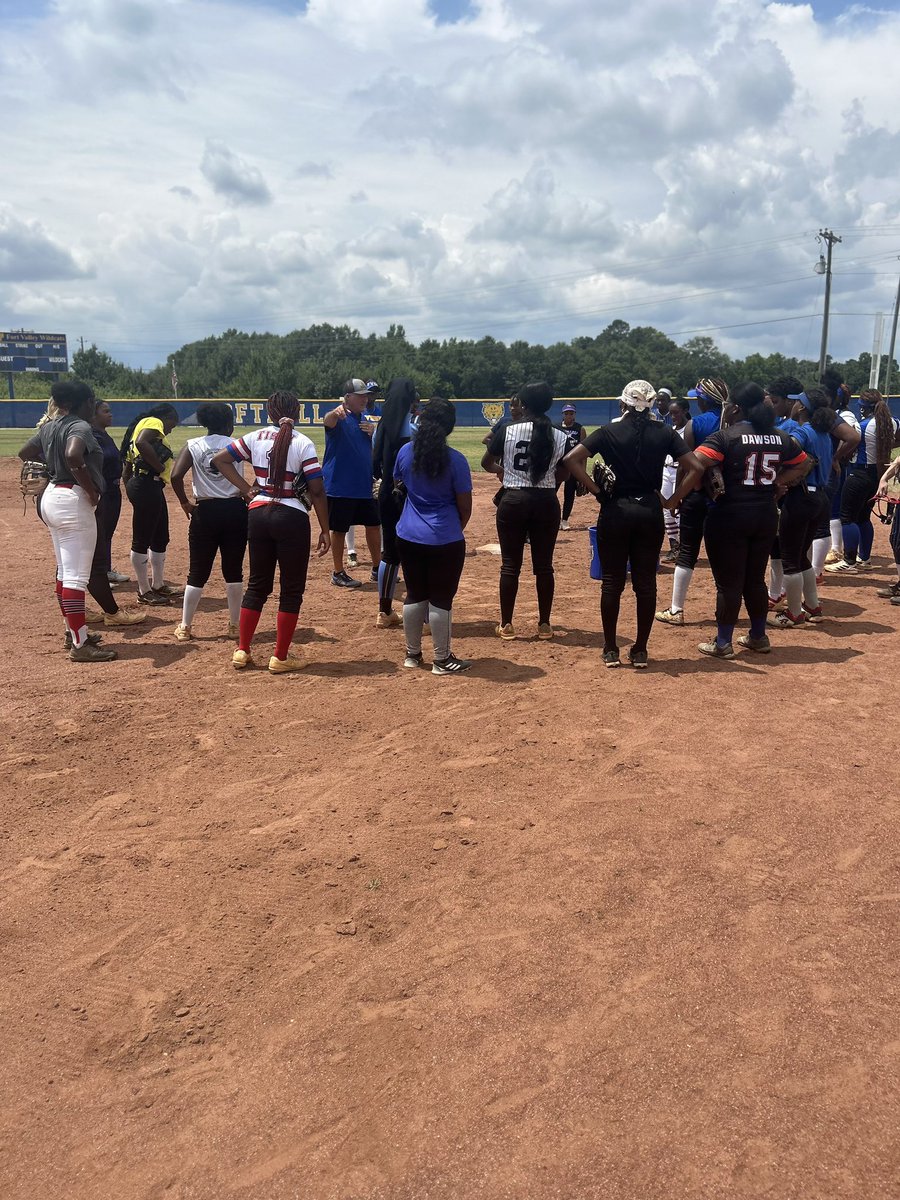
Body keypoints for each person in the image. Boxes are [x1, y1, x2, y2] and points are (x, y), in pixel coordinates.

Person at [666, 382, 810, 659]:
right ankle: (758, 636)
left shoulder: (726, 437)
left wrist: (675, 499)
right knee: (754, 580)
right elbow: (803, 463)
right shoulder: (780, 436)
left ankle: (723, 642)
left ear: (735, 408)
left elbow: (694, 463)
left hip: (729, 515)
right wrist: (778, 483)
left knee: (728, 583)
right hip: (765, 514)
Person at [564, 379, 698, 669]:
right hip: (650, 511)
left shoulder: (609, 431)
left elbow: (572, 460)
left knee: (612, 583)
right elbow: (697, 467)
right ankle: (640, 650)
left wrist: (596, 491)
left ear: (623, 403)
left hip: (616, 510)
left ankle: (611, 649)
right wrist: (672, 500)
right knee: (646, 584)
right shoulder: (664, 432)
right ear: (651, 404)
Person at [212, 390, 330, 673]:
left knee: (257, 585)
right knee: (291, 589)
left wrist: (246, 489)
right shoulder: (303, 442)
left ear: (269, 412)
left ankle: (242, 650)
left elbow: (220, 459)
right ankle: (280, 656)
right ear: (298, 412)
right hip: (292, 514)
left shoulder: (254, 437)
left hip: (258, 512)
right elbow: (316, 489)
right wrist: (325, 529)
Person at [18, 381, 117, 662]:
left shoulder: (49, 426)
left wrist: (53, 466)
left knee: (64, 571)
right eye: (91, 401)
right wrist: (88, 486)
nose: (93, 404)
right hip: (72, 500)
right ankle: (80, 644)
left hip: (51, 497)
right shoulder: (80, 426)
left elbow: (25, 453)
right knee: (75, 576)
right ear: (83, 403)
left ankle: (73, 632)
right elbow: (74, 454)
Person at [483, 381, 569, 640]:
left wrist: (504, 472)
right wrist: (551, 482)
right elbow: (564, 470)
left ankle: (507, 624)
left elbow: (487, 463)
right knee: (544, 566)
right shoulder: (560, 435)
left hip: (513, 500)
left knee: (510, 565)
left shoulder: (508, 430)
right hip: (546, 501)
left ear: (523, 404)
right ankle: (544, 625)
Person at [394, 397, 473, 674]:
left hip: (408, 534)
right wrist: (451, 529)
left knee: (415, 594)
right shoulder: (456, 460)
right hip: (444, 536)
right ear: (449, 427)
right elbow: (465, 508)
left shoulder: (405, 452)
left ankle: (412, 655)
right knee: (441, 598)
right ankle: (442, 660)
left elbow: (398, 484)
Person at [169, 402, 248, 641]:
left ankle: (185, 626)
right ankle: (234, 626)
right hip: (235, 510)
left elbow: (175, 475)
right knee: (233, 571)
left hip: (205, 511)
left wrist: (184, 502)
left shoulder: (193, 445)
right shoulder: (236, 445)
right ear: (228, 423)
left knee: (197, 571)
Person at [655, 377, 730, 625]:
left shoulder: (695, 424)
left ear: (702, 400)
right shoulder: (735, 422)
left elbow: (685, 466)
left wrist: (677, 498)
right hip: (727, 497)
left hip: (697, 494)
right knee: (723, 557)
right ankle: (726, 613)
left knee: (688, 552)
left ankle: (676, 610)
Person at [770, 388, 836, 627]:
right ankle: (812, 605)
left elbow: (789, 457)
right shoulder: (824, 434)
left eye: (798, 402)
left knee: (789, 558)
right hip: (819, 498)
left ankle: (794, 613)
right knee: (800, 556)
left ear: (803, 408)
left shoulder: (803, 432)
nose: (794, 405)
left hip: (801, 498)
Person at [826, 389, 900, 575]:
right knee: (863, 518)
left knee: (847, 517)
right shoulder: (892, 422)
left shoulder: (863, 425)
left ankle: (849, 561)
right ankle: (864, 559)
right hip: (877, 475)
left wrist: (837, 457)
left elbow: (850, 443)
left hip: (859, 473)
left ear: (863, 408)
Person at [121, 403, 182, 605]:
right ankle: (144, 591)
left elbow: (128, 466)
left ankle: (158, 584)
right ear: (165, 416)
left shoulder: (139, 426)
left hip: (147, 485)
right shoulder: (153, 422)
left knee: (160, 536)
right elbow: (141, 443)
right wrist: (158, 466)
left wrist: (131, 485)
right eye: (173, 422)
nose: (172, 428)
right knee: (142, 538)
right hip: (146, 484)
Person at [322, 379, 380, 588]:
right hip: (340, 486)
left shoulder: (364, 421)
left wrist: (373, 433)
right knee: (339, 530)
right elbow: (327, 422)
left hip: (363, 486)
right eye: (360, 395)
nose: (365, 399)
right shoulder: (338, 418)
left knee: (374, 525)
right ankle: (338, 572)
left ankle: (377, 569)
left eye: (366, 395)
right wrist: (334, 414)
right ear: (347, 398)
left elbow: (369, 452)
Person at [372, 377, 417, 628]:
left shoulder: (381, 427)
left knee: (390, 554)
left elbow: (375, 461)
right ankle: (419, 613)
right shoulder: (415, 428)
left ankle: (384, 611)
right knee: (414, 553)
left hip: (386, 493)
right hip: (411, 496)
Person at [91, 400, 128, 584]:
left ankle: (105, 570)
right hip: (102, 490)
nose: (110, 414)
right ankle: (98, 575)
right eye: (105, 411)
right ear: (94, 415)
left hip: (113, 490)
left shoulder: (104, 435)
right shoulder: (92, 436)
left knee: (107, 533)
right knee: (99, 533)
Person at [660, 396, 691, 562]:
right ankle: (674, 547)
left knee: (678, 510)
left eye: (676, 413)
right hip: (667, 471)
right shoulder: (671, 429)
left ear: (685, 411)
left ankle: (684, 547)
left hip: (682, 473)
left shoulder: (689, 430)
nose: (673, 416)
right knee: (666, 510)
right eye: (671, 413)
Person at [557, 403, 586, 530]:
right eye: (566, 413)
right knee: (551, 492)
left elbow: (584, 452)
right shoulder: (556, 428)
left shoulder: (580, 429)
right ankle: (555, 518)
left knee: (569, 493)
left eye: (571, 413)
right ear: (562, 414)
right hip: (558, 465)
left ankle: (564, 520)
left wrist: (583, 473)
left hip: (573, 466)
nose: (569, 415)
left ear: (575, 414)